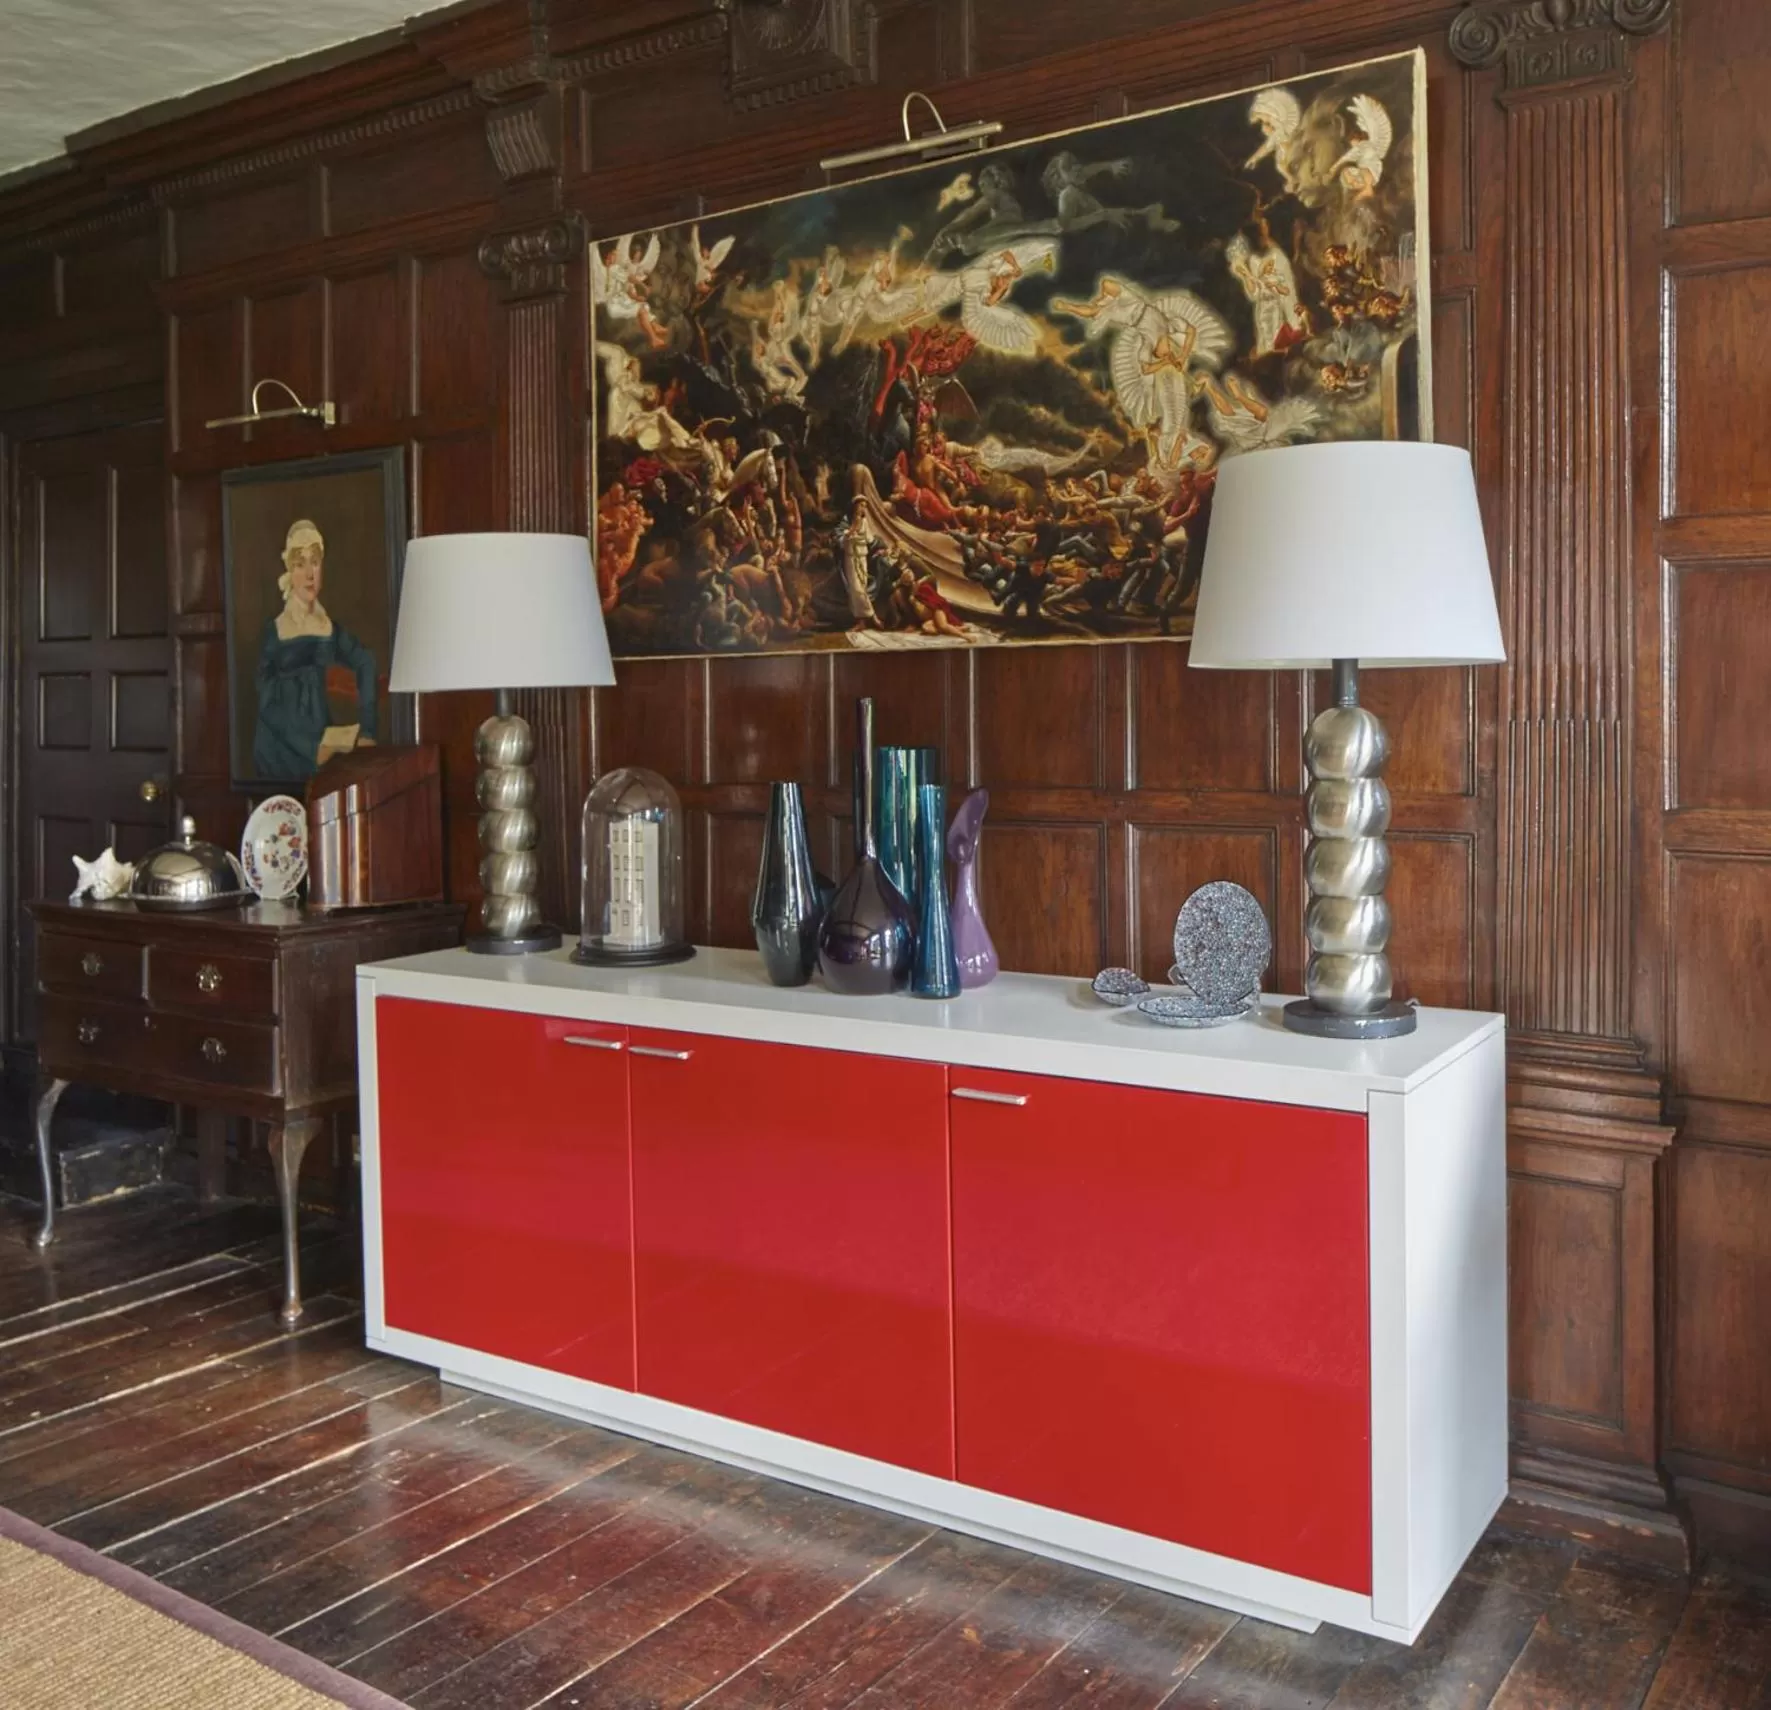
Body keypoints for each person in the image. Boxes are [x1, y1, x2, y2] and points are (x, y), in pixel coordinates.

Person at [252, 519, 377, 781]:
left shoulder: (328, 628)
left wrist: (368, 730)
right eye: (300, 564)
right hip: (282, 749)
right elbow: (266, 705)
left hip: (322, 742)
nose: (310, 574)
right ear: (289, 571)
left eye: (315, 562)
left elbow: (366, 662)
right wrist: (311, 747)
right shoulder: (275, 632)